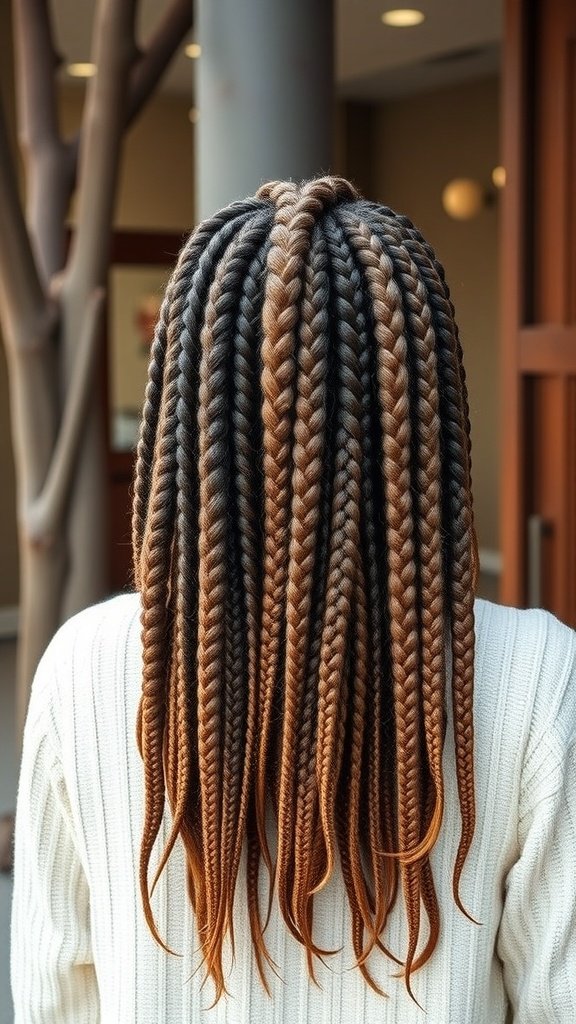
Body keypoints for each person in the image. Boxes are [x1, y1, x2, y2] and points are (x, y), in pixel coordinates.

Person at [11, 177, 576, 1022]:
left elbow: (55, 1001)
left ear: (183, 409)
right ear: (426, 413)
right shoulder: (536, 678)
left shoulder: (82, 669)